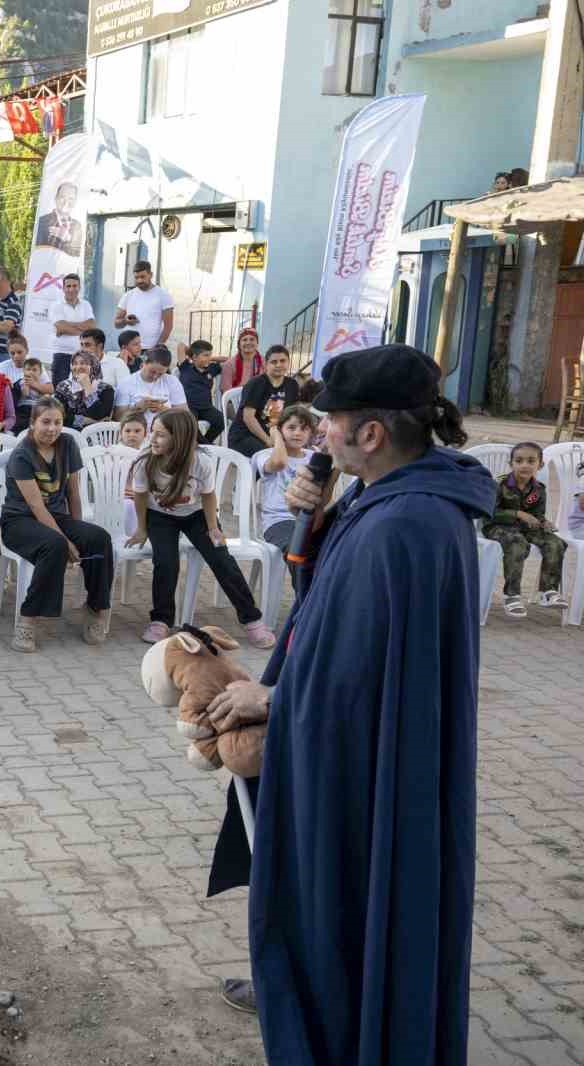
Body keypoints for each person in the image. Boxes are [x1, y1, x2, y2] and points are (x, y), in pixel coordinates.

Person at [200, 344, 489, 1060]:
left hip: (364, 775)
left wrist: (270, 698)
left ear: (372, 434)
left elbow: (353, 689)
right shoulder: (391, 497)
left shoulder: (404, 526)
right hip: (362, 753)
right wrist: (322, 523)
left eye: (331, 421)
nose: (317, 432)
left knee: (341, 912)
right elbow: (339, 621)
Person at [125, 410, 275, 648]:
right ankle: (161, 620)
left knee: (221, 559)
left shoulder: (200, 461)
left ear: (180, 438)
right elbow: (141, 497)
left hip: (196, 516)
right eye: (153, 432)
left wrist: (214, 528)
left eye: (161, 435)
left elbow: (208, 496)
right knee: (166, 562)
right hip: (160, 517)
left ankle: (252, 620)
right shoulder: (145, 462)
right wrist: (142, 529)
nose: (152, 439)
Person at [0, 398, 113, 649]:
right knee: (55, 545)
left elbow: (73, 493)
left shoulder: (68, 443)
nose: (52, 428)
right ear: (32, 423)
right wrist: (67, 541)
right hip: (18, 521)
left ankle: (95, 608)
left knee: (98, 538)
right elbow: (36, 506)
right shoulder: (22, 454)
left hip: (56, 516)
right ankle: (27, 620)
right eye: (45, 422)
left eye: (57, 422)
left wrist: (78, 532)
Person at [484, 441, 569, 615]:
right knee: (518, 543)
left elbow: (537, 515)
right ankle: (512, 595)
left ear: (540, 465)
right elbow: (489, 512)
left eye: (531, 461)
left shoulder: (538, 490)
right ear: (511, 463)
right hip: (498, 527)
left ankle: (548, 591)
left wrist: (544, 522)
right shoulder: (499, 485)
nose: (525, 465)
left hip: (526, 528)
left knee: (555, 542)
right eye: (519, 460)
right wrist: (517, 514)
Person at [251, 404, 317, 587]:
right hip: (278, 522)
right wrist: (275, 436)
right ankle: (305, 604)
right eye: (291, 427)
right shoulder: (265, 456)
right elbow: (279, 462)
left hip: (308, 519)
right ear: (280, 430)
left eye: (304, 429)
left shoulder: (314, 457)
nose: (297, 433)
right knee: (299, 552)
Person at [227, 344, 300, 458]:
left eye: (282, 361)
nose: (278, 365)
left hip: (274, 434)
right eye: (274, 362)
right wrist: (268, 440)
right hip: (245, 436)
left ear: (288, 362)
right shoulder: (255, 384)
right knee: (271, 457)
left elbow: (292, 414)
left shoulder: (292, 385)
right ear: (266, 364)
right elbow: (248, 418)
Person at [114, 347, 187, 428]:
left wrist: (163, 409)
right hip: (135, 431)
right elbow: (118, 417)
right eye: (152, 371)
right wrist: (137, 408)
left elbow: (184, 415)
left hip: (166, 430)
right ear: (143, 364)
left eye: (160, 374)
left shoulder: (172, 381)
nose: (155, 376)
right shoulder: (126, 383)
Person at [47, 275, 96, 384]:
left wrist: (67, 326)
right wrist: (82, 330)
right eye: (68, 286)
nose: (71, 289)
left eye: (75, 286)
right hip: (62, 355)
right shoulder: (56, 305)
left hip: (82, 356)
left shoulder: (86, 305)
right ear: (63, 288)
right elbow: (60, 326)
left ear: (79, 287)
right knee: (60, 392)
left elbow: (92, 325)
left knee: (81, 391)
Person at [177, 340, 228, 443]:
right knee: (190, 424)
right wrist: (192, 353)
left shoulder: (212, 368)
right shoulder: (185, 367)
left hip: (206, 407)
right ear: (195, 357)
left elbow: (229, 360)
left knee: (221, 420)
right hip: (189, 406)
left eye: (210, 355)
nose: (208, 358)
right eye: (205, 355)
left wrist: (211, 358)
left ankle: (205, 443)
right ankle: (206, 445)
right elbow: (181, 345)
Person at [114, 260, 174, 348]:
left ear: (151, 275)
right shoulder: (128, 295)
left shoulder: (163, 295)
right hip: (129, 349)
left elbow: (168, 326)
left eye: (142, 277)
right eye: (136, 277)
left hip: (151, 348)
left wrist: (157, 347)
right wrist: (125, 321)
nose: (139, 280)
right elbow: (116, 323)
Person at [54, 349, 115, 430]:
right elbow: (59, 416)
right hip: (69, 432)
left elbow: (100, 414)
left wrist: (87, 387)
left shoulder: (106, 389)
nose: (78, 367)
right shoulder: (63, 387)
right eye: (75, 363)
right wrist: (88, 421)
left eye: (84, 363)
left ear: (94, 365)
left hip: (96, 434)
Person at [34, 181, 85, 255]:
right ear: (56, 198)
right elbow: (37, 252)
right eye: (62, 197)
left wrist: (67, 239)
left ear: (75, 202)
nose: (66, 202)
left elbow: (77, 255)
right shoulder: (42, 222)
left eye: (71, 199)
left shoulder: (77, 225)